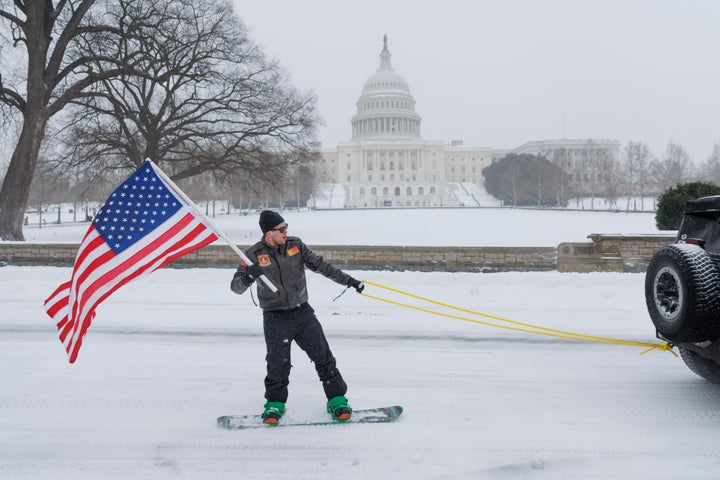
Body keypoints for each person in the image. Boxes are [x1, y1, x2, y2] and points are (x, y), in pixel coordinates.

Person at [231, 210, 365, 424]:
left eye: (286, 228)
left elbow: (323, 267)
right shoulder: (252, 255)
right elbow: (235, 287)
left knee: (323, 357)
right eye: (281, 229)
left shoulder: (296, 245)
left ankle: (337, 400)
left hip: (302, 313)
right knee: (278, 364)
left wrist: (349, 281)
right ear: (269, 232)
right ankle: (274, 404)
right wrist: (248, 276)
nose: (286, 232)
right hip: (275, 318)